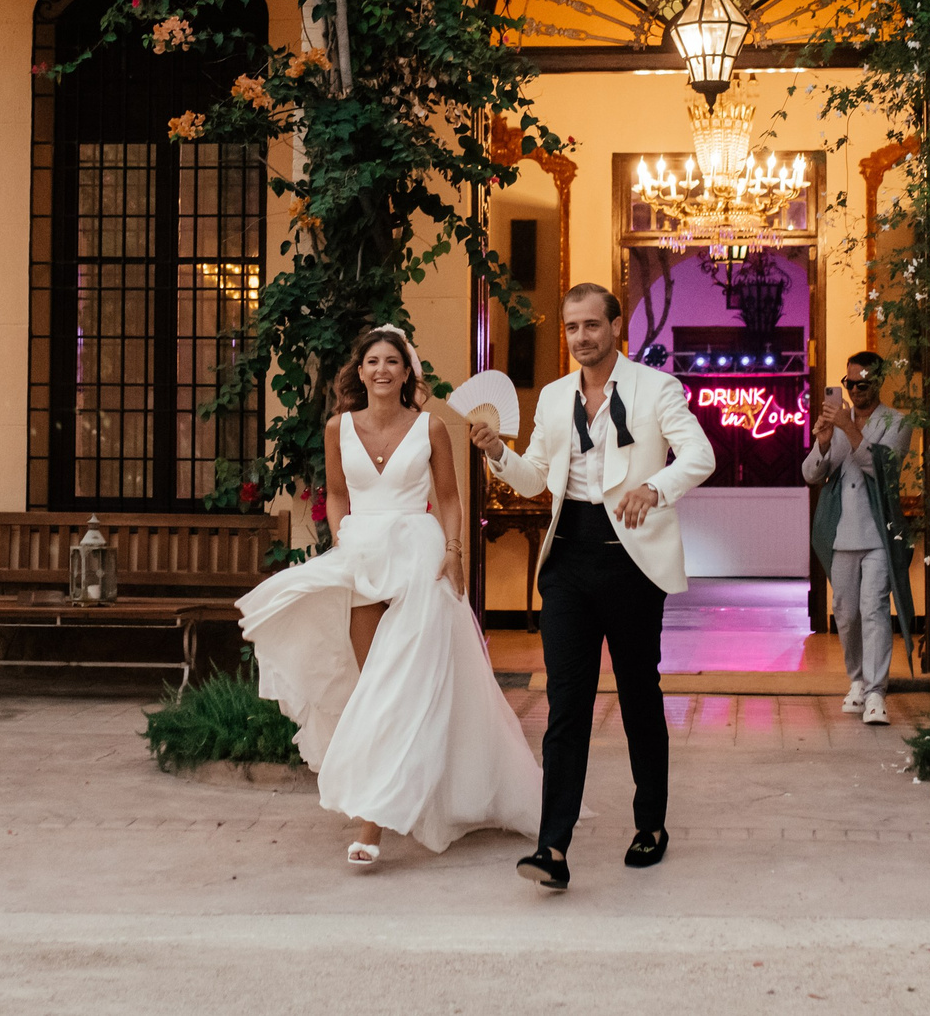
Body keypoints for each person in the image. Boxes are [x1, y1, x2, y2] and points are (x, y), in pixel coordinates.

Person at [239, 325, 540, 866]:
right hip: (361, 559)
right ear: (361, 371)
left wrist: (454, 552)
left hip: (419, 562)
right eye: (372, 361)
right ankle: (402, 792)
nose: (381, 370)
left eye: (392, 362)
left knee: (396, 690)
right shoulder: (337, 427)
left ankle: (371, 825)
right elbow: (334, 493)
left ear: (407, 373)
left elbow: (448, 498)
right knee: (369, 688)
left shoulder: (430, 429)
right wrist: (341, 540)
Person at [469, 282, 715, 891]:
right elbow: (534, 481)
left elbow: (700, 455)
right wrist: (499, 452)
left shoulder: (656, 388)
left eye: (592, 326)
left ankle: (650, 825)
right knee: (567, 706)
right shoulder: (554, 398)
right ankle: (553, 846)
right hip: (569, 563)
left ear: (616, 328)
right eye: (572, 327)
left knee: (638, 696)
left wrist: (653, 488)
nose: (581, 337)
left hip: (632, 563)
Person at [801, 351, 917, 726]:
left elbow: (883, 467)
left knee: (875, 610)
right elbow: (810, 475)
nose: (854, 391)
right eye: (849, 384)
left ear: (878, 383)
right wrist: (821, 441)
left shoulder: (896, 421)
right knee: (846, 615)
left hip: (879, 533)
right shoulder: (835, 423)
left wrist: (849, 430)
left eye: (862, 384)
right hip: (840, 533)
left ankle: (876, 692)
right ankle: (857, 681)